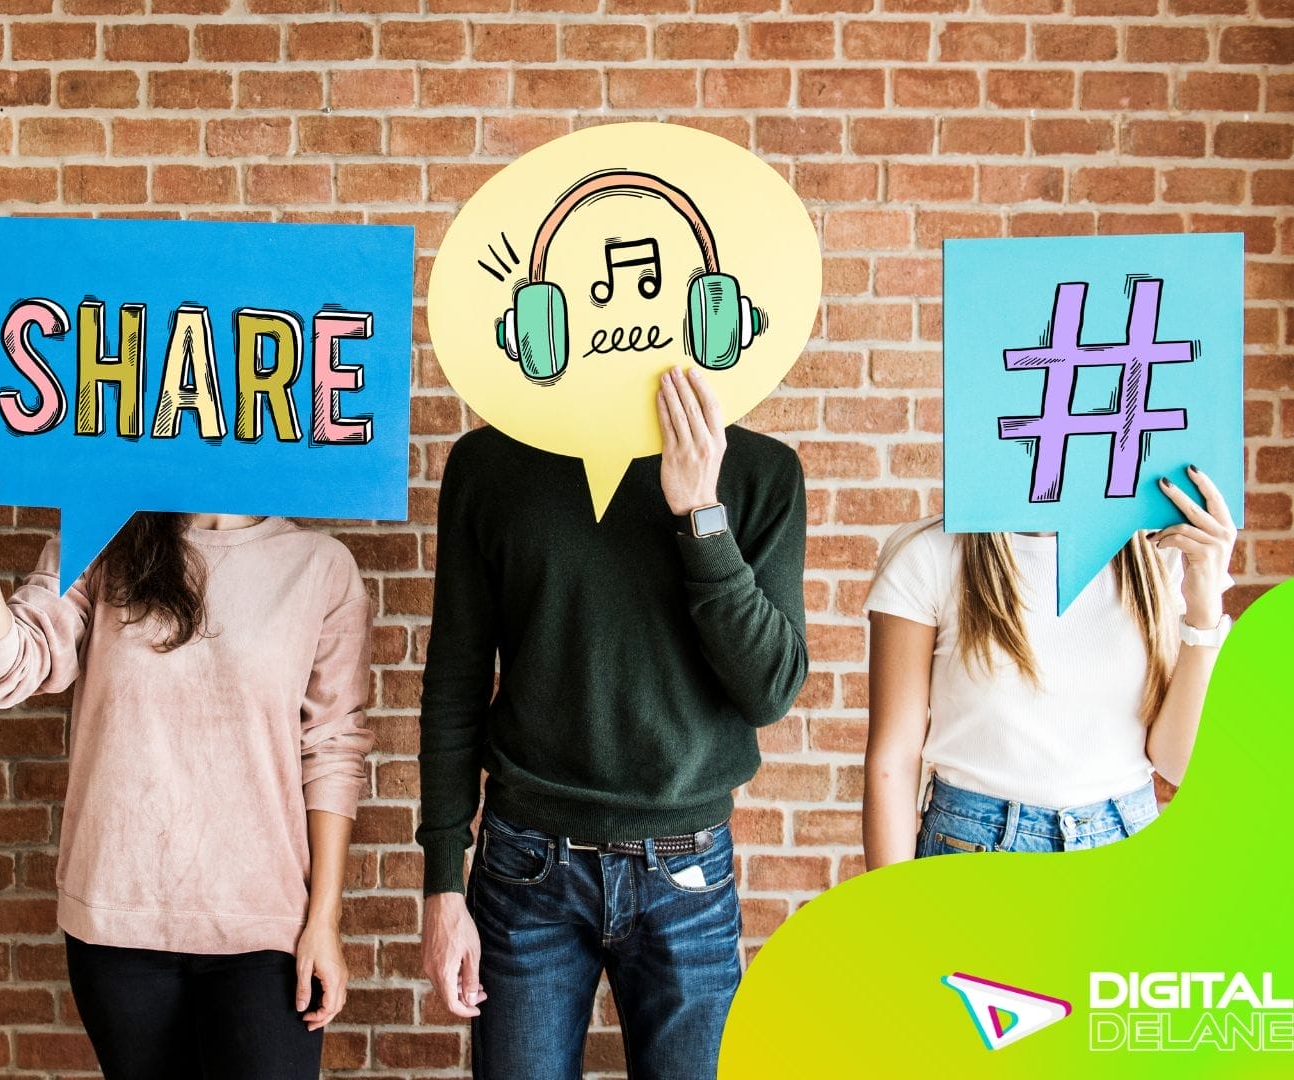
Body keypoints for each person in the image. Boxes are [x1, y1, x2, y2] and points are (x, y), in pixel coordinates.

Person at [0, 433, 375, 1080]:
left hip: (261, 923)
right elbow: (2, 671)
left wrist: (324, 921)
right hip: (117, 919)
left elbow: (333, 749)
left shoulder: (320, 566)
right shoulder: (106, 538)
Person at [418, 367, 809, 1080]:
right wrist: (444, 885)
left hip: (685, 870)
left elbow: (770, 691)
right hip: (526, 869)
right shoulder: (490, 465)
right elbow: (455, 683)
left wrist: (700, 513)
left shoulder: (759, 471)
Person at [862, 468, 1236, 866]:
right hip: (974, 852)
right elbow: (894, 760)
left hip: (1127, 849)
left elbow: (1177, 764)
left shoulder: (1159, 550)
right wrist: (893, 919)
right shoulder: (929, 554)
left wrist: (1205, 610)